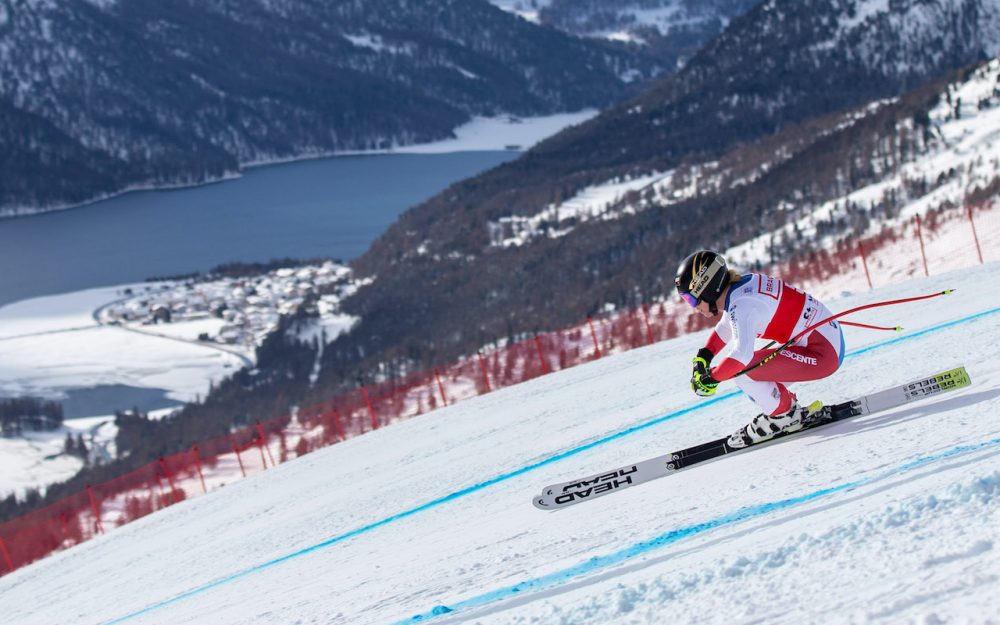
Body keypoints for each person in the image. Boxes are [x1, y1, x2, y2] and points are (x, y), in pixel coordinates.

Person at [674, 250, 845, 448]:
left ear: (708, 289)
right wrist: (704, 356)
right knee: (752, 375)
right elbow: (726, 325)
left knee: (743, 373)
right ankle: (785, 409)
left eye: (692, 299)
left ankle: (785, 416)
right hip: (822, 343)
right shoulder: (741, 288)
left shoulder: (743, 304)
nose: (694, 307)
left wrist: (712, 379)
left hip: (823, 354)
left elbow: (741, 356)